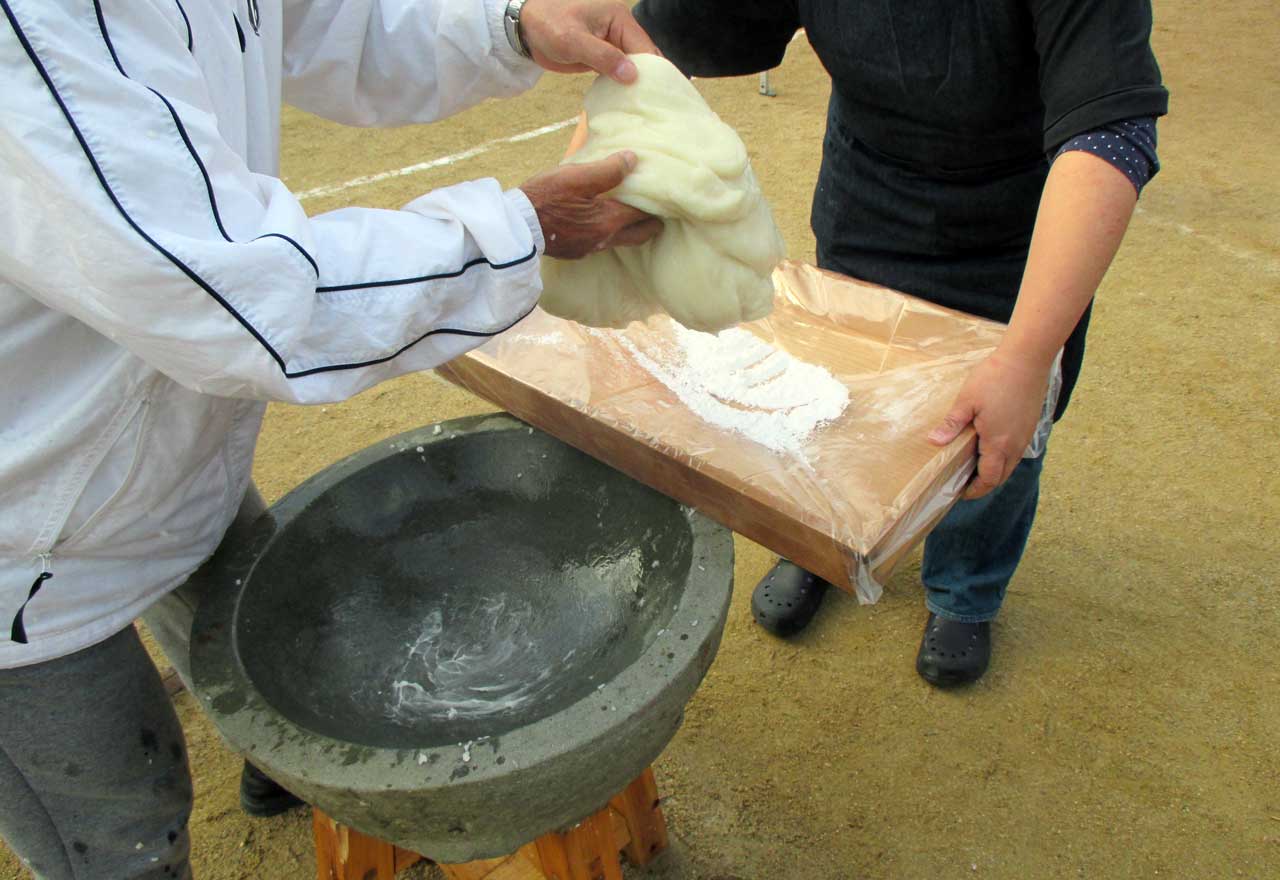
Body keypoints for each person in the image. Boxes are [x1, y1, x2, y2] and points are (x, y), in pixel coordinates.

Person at [0, 0, 662, 876]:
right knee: (123, 826)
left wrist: (507, 28)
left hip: (151, 433)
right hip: (26, 523)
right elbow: (241, 299)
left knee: (263, 633)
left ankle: (282, 763)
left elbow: (325, 24)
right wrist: (520, 233)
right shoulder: (32, 34)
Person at [632, 0, 1168, 686]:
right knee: (841, 401)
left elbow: (1112, 131)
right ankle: (827, 545)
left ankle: (964, 589)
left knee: (993, 445)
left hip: (1022, 234)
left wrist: (1026, 357)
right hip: (871, 199)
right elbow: (664, 34)